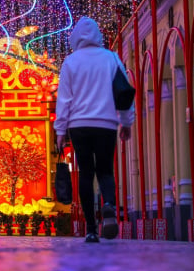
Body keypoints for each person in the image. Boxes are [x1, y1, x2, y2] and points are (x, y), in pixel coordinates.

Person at [54, 17, 135, 243]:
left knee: (86, 174)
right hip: (106, 123)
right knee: (106, 170)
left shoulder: (70, 62)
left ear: (76, 37)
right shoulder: (111, 58)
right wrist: (126, 123)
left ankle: (90, 228)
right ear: (98, 35)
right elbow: (124, 91)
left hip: (79, 125)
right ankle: (108, 204)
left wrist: (60, 131)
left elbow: (64, 100)